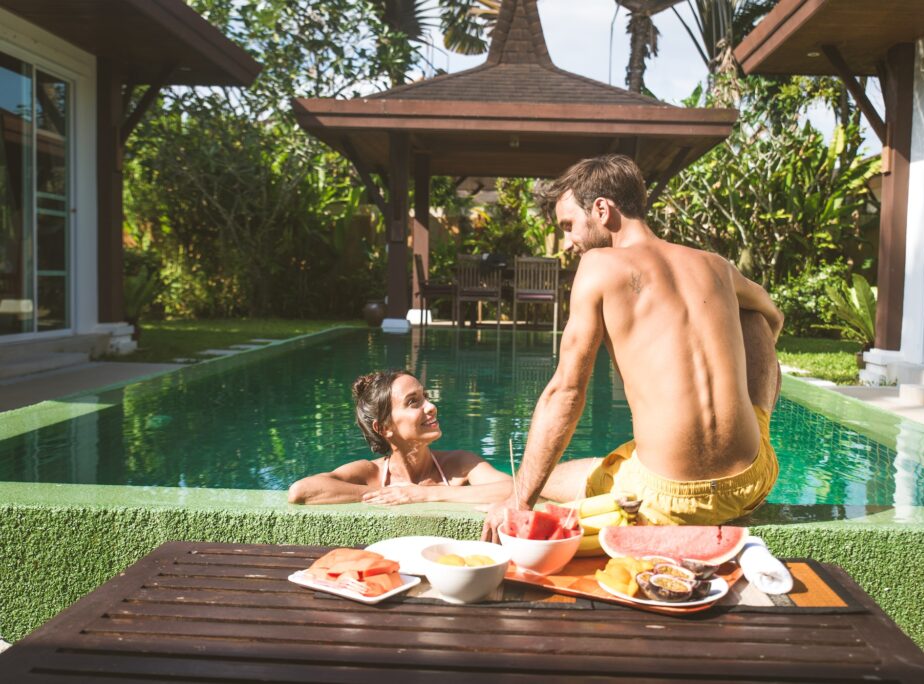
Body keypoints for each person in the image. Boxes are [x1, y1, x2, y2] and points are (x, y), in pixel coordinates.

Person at [482, 154, 783, 540]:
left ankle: (462, 489)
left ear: (602, 210)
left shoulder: (600, 265)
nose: (568, 240)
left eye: (569, 225)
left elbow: (567, 392)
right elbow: (772, 317)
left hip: (666, 499)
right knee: (752, 316)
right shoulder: (715, 264)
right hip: (753, 479)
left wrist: (522, 503)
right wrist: (754, 405)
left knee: (554, 477)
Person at [289, 369, 512, 505]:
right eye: (413, 402)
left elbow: (518, 490)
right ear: (384, 427)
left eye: (425, 396)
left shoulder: (461, 464)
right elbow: (301, 491)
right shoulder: (370, 473)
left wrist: (424, 494)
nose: (432, 406)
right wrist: (391, 493)